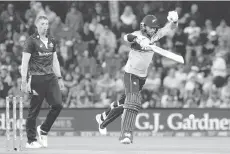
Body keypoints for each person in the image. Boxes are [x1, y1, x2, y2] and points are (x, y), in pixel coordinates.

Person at [95, 11, 179, 144]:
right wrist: (139, 39)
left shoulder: (155, 36)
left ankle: (102, 119)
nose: (153, 30)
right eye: (151, 27)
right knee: (133, 101)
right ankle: (126, 134)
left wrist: (174, 21)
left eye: (155, 28)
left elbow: (168, 29)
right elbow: (126, 37)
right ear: (144, 26)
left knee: (124, 103)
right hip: (130, 74)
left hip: (142, 77)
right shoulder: (138, 34)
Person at [20, 15, 64, 148]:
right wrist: (23, 81)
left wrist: (60, 77)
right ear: (37, 26)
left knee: (58, 105)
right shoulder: (31, 41)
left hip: (51, 77)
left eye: (46, 24)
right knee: (34, 110)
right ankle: (31, 140)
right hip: (36, 78)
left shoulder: (52, 40)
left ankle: (43, 129)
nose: (45, 26)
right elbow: (24, 63)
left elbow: (55, 60)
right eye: (42, 24)